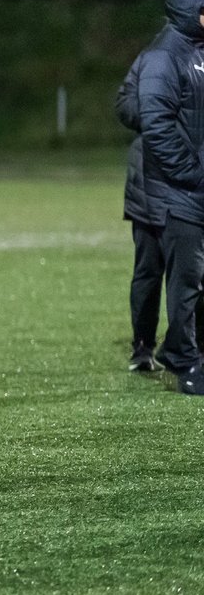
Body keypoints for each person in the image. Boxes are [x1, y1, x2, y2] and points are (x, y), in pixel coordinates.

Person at [135, 0, 204, 394]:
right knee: (185, 281)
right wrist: (195, 173)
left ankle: (193, 352)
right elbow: (155, 123)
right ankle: (181, 360)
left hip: (195, 191)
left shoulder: (198, 52)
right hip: (180, 194)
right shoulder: (165, 55)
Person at [117, 47, 171, 372]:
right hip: (149, 182)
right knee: (149, 269)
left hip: (194, 185)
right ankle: (143, 346)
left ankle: (189, 347)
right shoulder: (156, 56)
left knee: (194, 273)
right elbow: (124, 105)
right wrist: (160, 111)